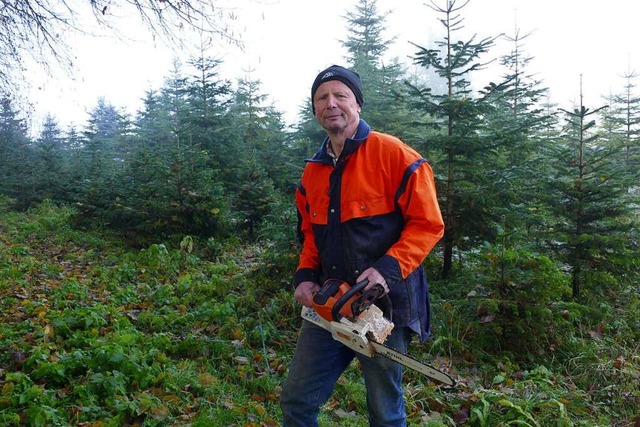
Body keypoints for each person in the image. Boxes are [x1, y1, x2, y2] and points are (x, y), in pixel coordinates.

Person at [280, 64, 445, 427]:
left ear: (358, 104)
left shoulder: (395, 156)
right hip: (329, 304)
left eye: (341, 95)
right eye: (322, 97)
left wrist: (387, 269)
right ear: (314, 109)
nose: (331, 103)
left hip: (383, 308)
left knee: (385, 412)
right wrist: (305, 275)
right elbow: (310, 234)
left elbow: (428, 224)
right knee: (296, 400)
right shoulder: (313, 172)